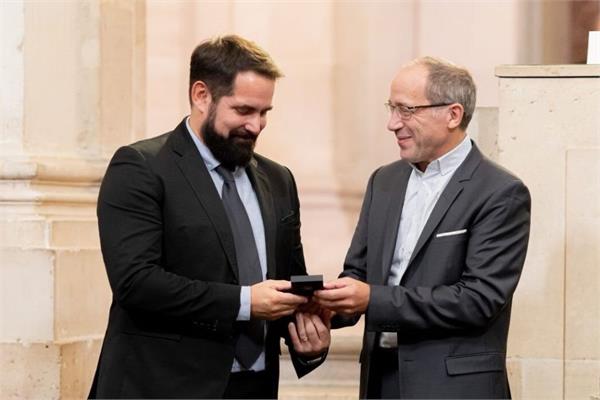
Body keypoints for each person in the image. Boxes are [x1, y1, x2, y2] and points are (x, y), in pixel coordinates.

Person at [89, 35, 330, 399]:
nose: (256, 126)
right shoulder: (141, 167)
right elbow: (136, 283)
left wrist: (308, 340)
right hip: (163, 386)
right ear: (201, 96)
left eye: (265, 113)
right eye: (244, 110)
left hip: (255, 387)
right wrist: (244, 302)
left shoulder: (278, 179)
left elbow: (283, 286)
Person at [315, 57, 531, 399]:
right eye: (391, 108)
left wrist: (372, 299)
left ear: (453, 115)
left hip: (453, 386)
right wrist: (330, 306)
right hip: (380, 380)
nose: (392, 123)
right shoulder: (383, 181)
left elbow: (478, 300)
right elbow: (358, 272)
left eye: (406, 110)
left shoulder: (500, 192)